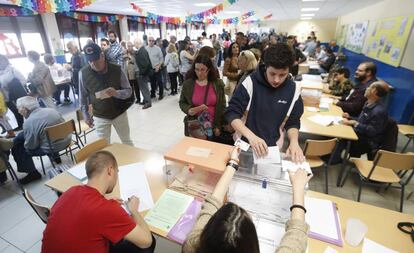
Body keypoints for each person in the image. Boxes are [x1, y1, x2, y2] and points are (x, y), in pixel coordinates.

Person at [182, 147, 311, 253]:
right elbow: (297, 234)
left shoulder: (192, 247)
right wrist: (298, 188)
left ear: (207, 233)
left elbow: (211, 204)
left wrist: (232, 163)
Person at [42, 151, 155, 253]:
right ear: (110, 171)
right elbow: (146, 242)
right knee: (149, 242)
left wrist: (105, 203)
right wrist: (134, 210)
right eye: (117, 172)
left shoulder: (71, 191)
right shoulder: (107, 209)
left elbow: (86, 211)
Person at [225, 44, 305, 162]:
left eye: (282, 75)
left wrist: (294, 142)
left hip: (272, 147)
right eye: (272, 74)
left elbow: (293, 121)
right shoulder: (250, 83)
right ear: (265, 66)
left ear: (289, 70)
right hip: (245, 143)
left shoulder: (293, 90)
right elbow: (232, 113)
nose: (276, 80)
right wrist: (251, 136)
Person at [79, 43, 134, 146]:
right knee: (104, 146)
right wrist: (86, 116)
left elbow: (128, 91)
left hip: (119, 113)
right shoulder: (83, 73)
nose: (93, 64)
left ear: (102, 56)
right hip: (100, 116)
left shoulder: (117, 69)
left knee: (126, 141)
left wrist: (116, 93)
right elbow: (82, 98)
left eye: (96, 60)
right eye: (90, 61)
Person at [11, 96, 71, 184]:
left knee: (18, 146)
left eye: (18, 109)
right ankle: (56, 157)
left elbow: (31, 146)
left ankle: (33, 173)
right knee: (39, 134)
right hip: (67, 140)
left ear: (24, 109)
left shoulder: (29, 123)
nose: (19, 112)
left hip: (51, 147)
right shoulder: (51, 110)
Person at [330, 81, 390, 164]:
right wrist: (349, 117)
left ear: (374, 91)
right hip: (361, 134)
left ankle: (333, 160)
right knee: (341, 128)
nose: (366, 88)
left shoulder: (378, 111)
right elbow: (362, 120)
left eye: (369, 87)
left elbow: (372, 131)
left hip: (368, 142)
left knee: (342, 137)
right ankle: (334, 157)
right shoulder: (368, 103)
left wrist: (355, 123)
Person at [179, 55, 226, 139]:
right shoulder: (188, 84)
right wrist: (188, 110)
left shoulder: (217, 84)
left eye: (203, 70)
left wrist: (218, 125)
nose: (199, 73)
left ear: (209, 70)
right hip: (196, 125)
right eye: (197, 69)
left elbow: (222, 106)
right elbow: (182, 102)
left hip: (213, 126)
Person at [0, 54, 26, 130]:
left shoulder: (12, 70)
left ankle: (27, 124)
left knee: (22, 110)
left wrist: (12, 86)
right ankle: (20, 125)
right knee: (15, 112)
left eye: (1, 60)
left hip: (15, 95)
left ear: (5, 60)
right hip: (5, 97)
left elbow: (23, 81)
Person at [134, 38, 152, 109]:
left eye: (135, 43)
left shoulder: (142, 51)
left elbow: (146, 64)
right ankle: (145, 100)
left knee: (144, 88)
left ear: (138, 43)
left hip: (142, 73)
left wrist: (142, 73)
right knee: (143, 87)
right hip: (141, 72)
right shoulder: (141, 50)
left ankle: (148, 102)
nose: (134, 45)